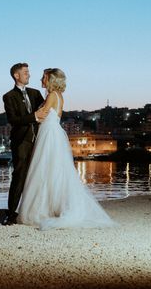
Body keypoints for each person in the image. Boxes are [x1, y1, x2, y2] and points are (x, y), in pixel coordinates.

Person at [17, 68, 117, 229]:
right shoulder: (58, 95)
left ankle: (42, 209)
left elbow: (41, 114)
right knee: (53, 170)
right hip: (52, 132)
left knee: (44, 169)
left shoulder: (51, 95)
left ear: (50, 79)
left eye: (44, 77)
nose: (41, 79)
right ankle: (51, 206)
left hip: (49, 134)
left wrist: (24, 115)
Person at [0, 63, 47, 226]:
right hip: (21, 142)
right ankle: (11, 213)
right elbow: (13, 120)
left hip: (39, 140)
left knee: (39, 175)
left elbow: (46, 111)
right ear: (16, 75)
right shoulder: (8, 96)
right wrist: (34, 116)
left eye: (29, 72)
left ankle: (37, 210)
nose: (29, 75)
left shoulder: (36, 93)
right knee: (19, 175)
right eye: (26, 72)